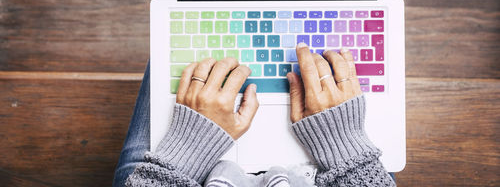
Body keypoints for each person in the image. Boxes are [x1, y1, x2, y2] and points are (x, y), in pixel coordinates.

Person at [113, 43, 396, 186]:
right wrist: (344, 146)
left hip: (179, 175)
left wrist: (185, 152)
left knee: (181, 59)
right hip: (327, 174)